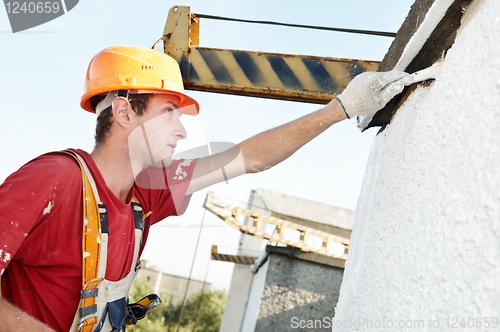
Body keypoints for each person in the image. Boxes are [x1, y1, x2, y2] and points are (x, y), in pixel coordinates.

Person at [0, 46, 407, 332]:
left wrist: (340, 110)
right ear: (124, 111)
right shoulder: (53, 180)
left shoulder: (149, 192)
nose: (180, 129)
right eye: (168, 113)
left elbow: (249, 157)